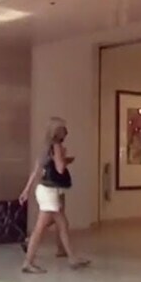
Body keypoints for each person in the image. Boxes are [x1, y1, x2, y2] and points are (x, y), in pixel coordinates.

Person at [19, 117, 89, 273]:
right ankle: (28, 262)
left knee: (62, 224)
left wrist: (26, 190)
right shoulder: (56, 146)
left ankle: (72, 257)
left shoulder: (45, 147)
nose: (66, 131)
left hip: (43, 189)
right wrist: (63, 157)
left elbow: (36, 171)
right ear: (58, 131)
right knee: (41, 228)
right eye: (63, 128)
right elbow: (60, 169)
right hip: (49, 192)